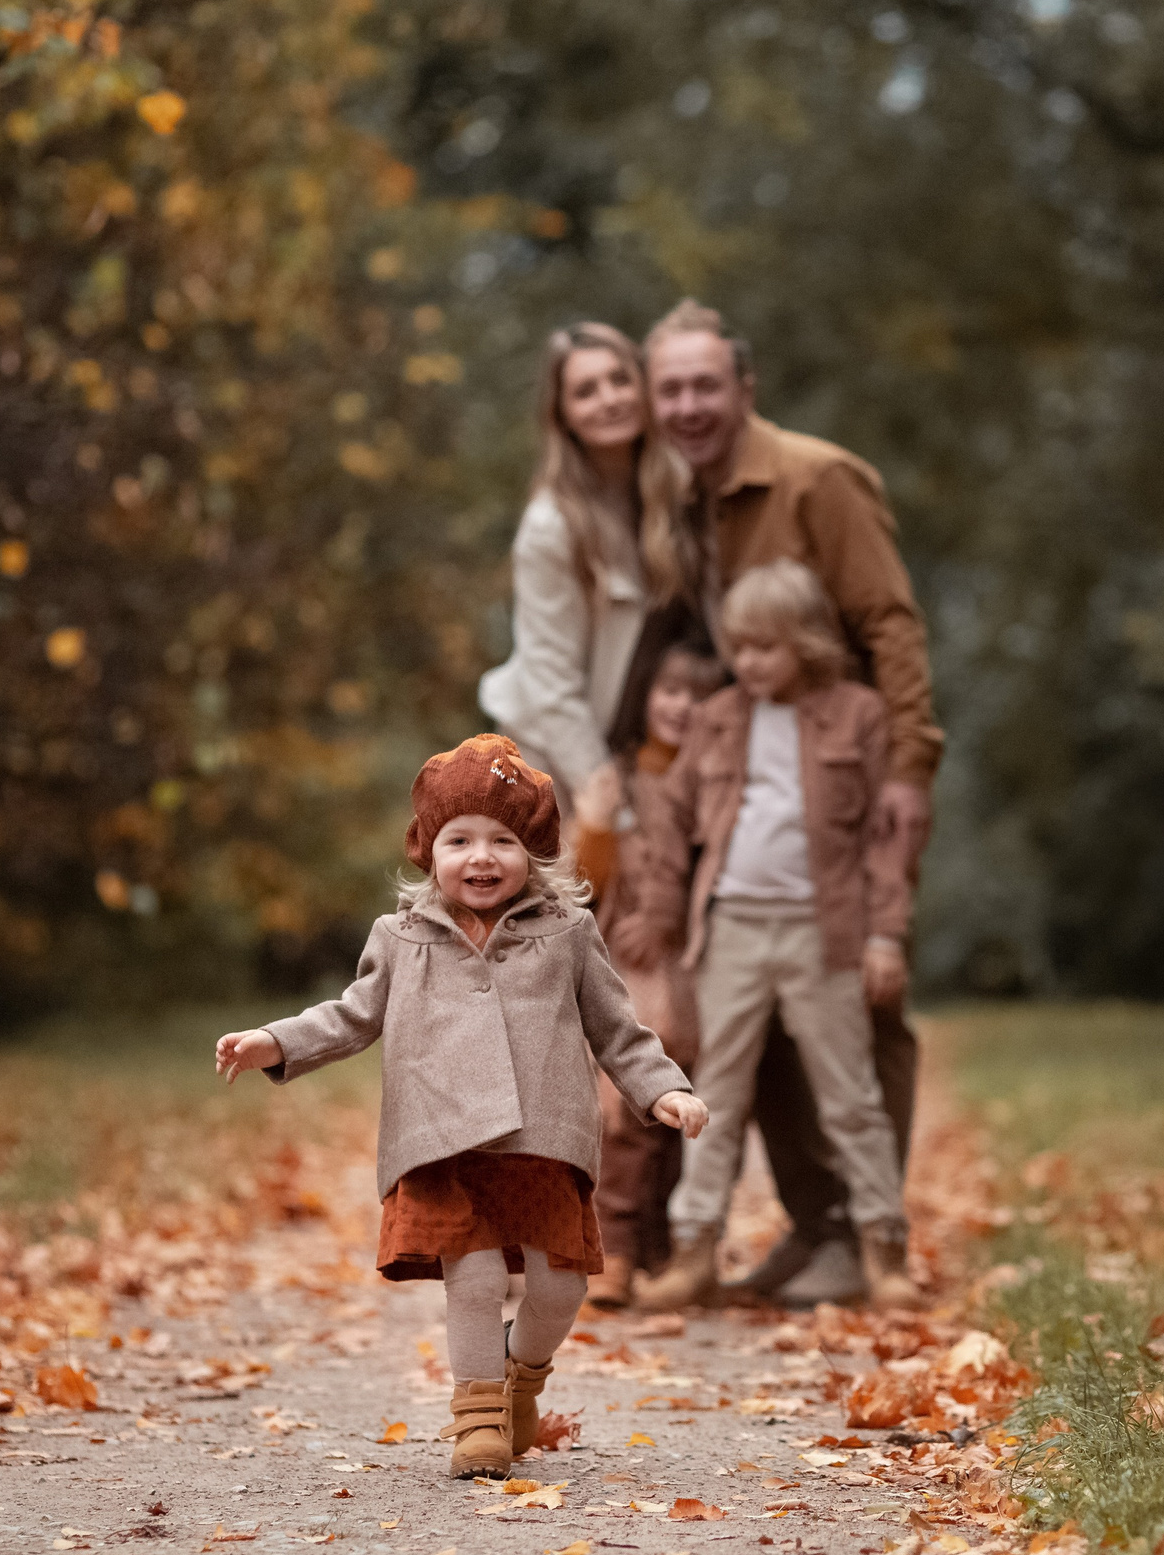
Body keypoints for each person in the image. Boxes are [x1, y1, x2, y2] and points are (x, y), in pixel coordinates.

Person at [212, 735, 709, 1478]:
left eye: (503, 840)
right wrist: (274, 1042)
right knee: (472, 1278)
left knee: (559, 1284)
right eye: (460, 839)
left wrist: (663, 1086)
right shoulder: (401, 938)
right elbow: (351, 1015)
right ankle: (477, 1420)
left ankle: (521, 1376)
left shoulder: (569, 933)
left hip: (544, 1140)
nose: (481, 857)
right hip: (445, 1142)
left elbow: (618, 1027)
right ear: (428, 850)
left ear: (533, 853)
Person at [634, 300, 940, 1300]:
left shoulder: (817, 480)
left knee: (861, 1026)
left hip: (844, 796)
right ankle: (816, 1227)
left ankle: (864, 1230)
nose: (687, 404)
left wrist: (907, 770)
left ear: (742, 388)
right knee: (746, 1047)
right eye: (669, 388)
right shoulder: (686, 499)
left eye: (704, 385)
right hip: (750, 814)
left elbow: (890, 628)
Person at [626, 561, 919, 1312]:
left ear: (807, 642)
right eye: (740, 646)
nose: (748, 662)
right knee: (715, 1090)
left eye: (766, 647)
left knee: (849, 1094)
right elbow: (672, 818)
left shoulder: (857, 714)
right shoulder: (722, 716)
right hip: (732, 930)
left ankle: (884, 1251)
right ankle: (694, 1251)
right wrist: (659, 913)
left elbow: (885, 843)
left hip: (826, 934)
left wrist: (886, 936)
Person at [477, 323, 693, 815]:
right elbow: (552, 689)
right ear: (564, 417)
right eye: (585, 391)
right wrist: (609, 807)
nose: (610, 399)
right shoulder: (551, 527)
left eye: (620, 379)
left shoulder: (674, 491)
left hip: (642, 749)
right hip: (558, 760)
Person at [576, 642, 727, 1309]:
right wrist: (599, 828)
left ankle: (659, 1244)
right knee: (632, 1100)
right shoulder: (619, 777)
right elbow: (584, 881)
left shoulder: (717, 779)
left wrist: (670, 915)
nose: (681, 706)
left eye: (697, 695)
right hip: (632, 961)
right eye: (668, 690)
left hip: (694, 958)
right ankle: (614, 1247)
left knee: (686, 1108)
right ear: (642, 696)